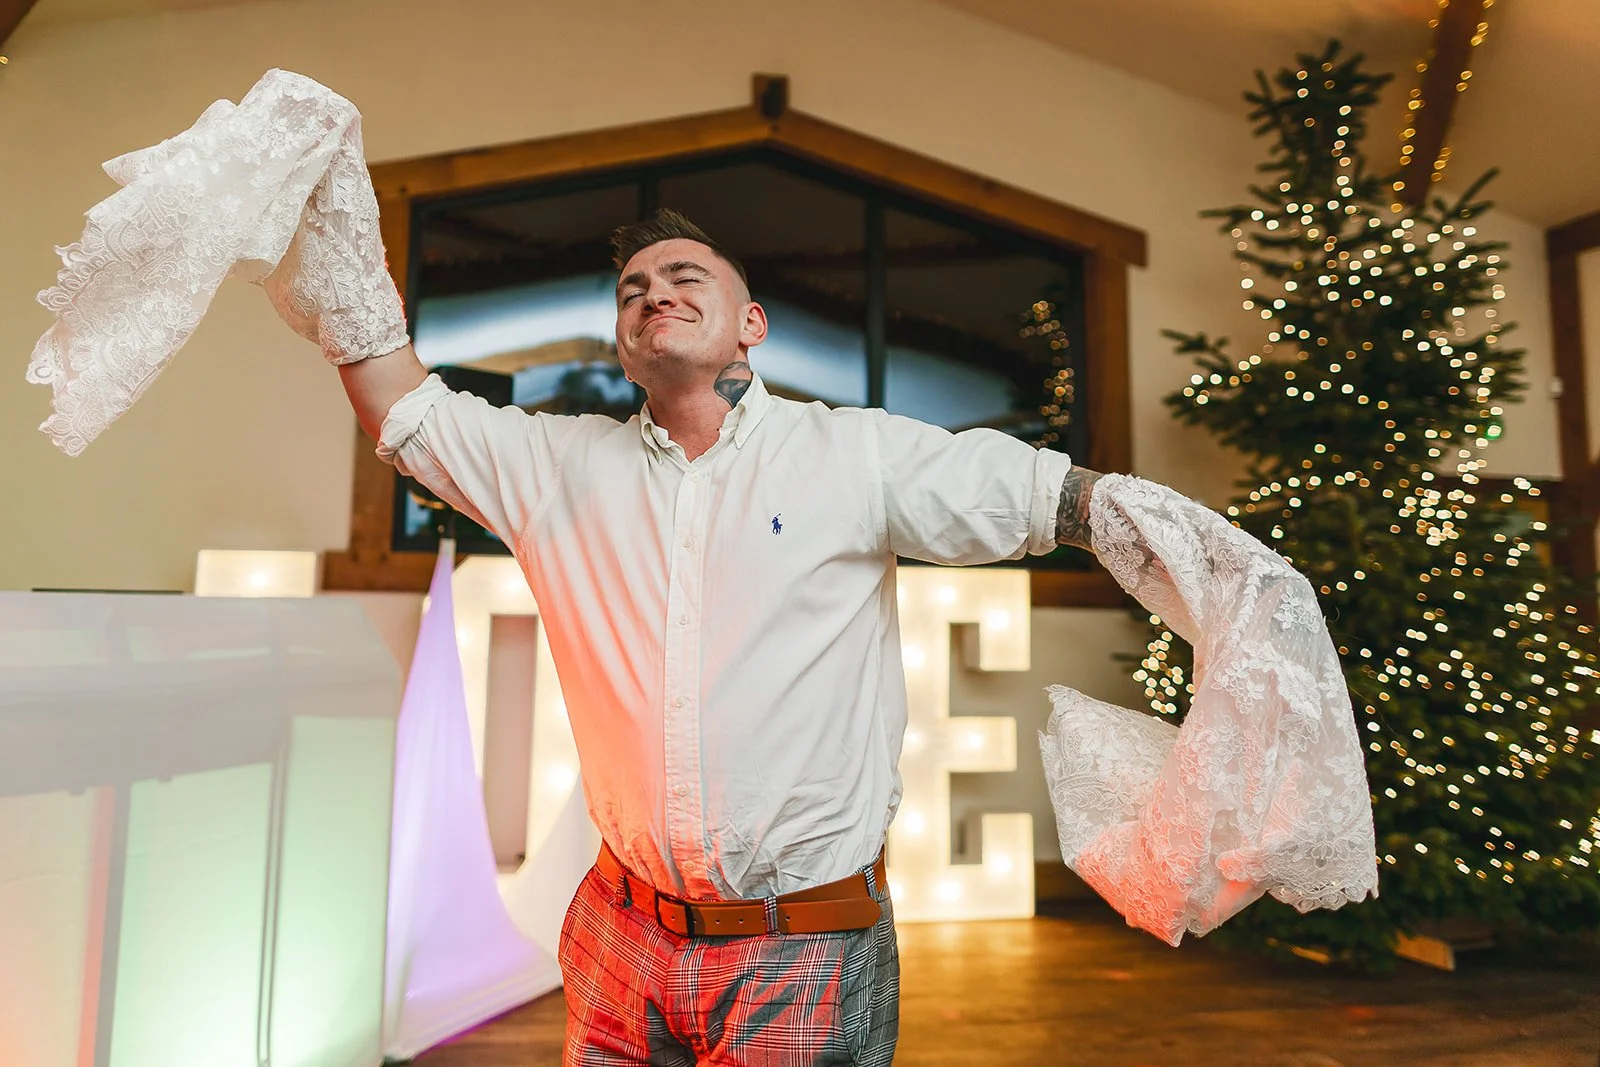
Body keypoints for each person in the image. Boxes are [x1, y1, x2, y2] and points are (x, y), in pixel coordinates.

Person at [340, 209, 1102, 1065]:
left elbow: (1046, 497)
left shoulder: (854, 456)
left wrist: (1207, 563)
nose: (653, 293)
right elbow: (399, 404)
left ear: (752, 323)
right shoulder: (555, 467)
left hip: (803, 950)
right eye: (633, 291)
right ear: (625, 350)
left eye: (683, 278)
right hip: (618, 934)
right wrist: (323, 225)